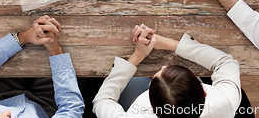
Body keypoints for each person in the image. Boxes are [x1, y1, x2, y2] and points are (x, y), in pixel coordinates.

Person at [93, 24, 241, 118]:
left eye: (156, 77)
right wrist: (164, 42)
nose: (163, 67)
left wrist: (138, 55)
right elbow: (226, 62)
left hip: (137, 103)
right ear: (204, 92)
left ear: (152, 110)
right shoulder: (224, 103)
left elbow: (101, 102)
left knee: (132, 78)